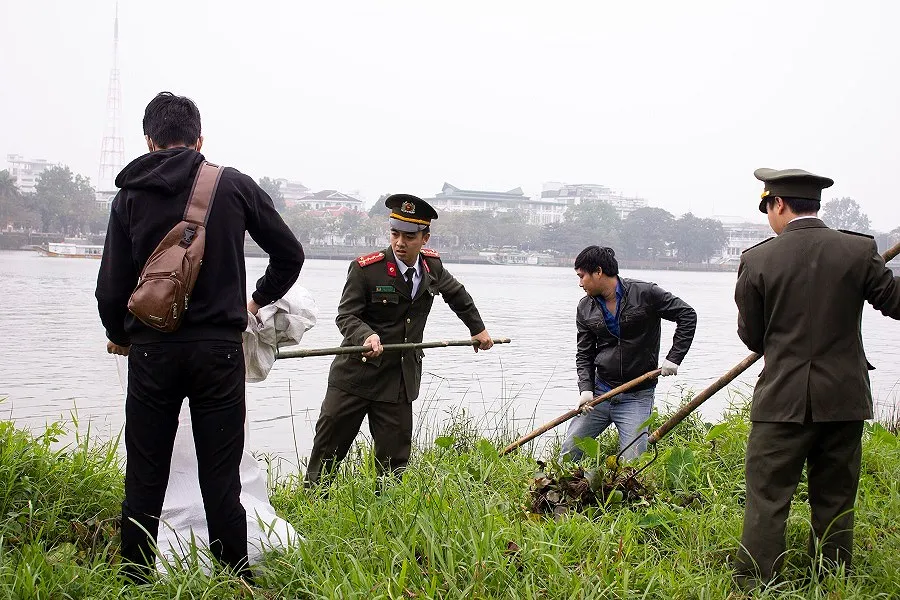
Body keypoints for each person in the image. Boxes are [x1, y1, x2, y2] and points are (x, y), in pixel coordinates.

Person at [95, 91, 305, 582]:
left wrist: (118, 334)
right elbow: (289, 254)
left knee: (145, 474)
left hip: (151, 351)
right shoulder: (232, 186)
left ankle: (134, 581)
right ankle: (235, 580)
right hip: (218, 352)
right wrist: (254, 301)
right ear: (200, 139)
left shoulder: (129, 195)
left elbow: (110, 287)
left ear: (149, 142)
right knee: (220, 475)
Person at [733, 168, 900, 589]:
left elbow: (753, 336)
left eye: (767, 208)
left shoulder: (757, 260)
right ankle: (831, 580)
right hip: (843, 399)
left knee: (767, 498)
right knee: (836, 497)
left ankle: (755, 584)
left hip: (781, 401)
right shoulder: (859, 251)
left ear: (779, 205)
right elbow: (895, 302)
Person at [304, 194, 493, 485]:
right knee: (327, 455)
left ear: (424, 238)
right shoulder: (366, 269)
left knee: (394, 465)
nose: (400, 243)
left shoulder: (432, 268)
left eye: (409, 236)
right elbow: (346, 316)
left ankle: (388, 514)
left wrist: (477, 330)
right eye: (395, 234)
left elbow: (458, 295)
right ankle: (312, 504)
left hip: (399, 380)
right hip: (355, 377)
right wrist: (367, 335)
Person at [561, 245, 696, 461]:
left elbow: (687, 315)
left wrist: (674, 357)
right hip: (600, 393)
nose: (580, 283)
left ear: (598, 271)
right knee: (569, 452)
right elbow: (584, 353)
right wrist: (586, 389)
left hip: (637, 395)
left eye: (582, 276)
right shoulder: (585, 308)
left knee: (632, 461)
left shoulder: (646, 293)